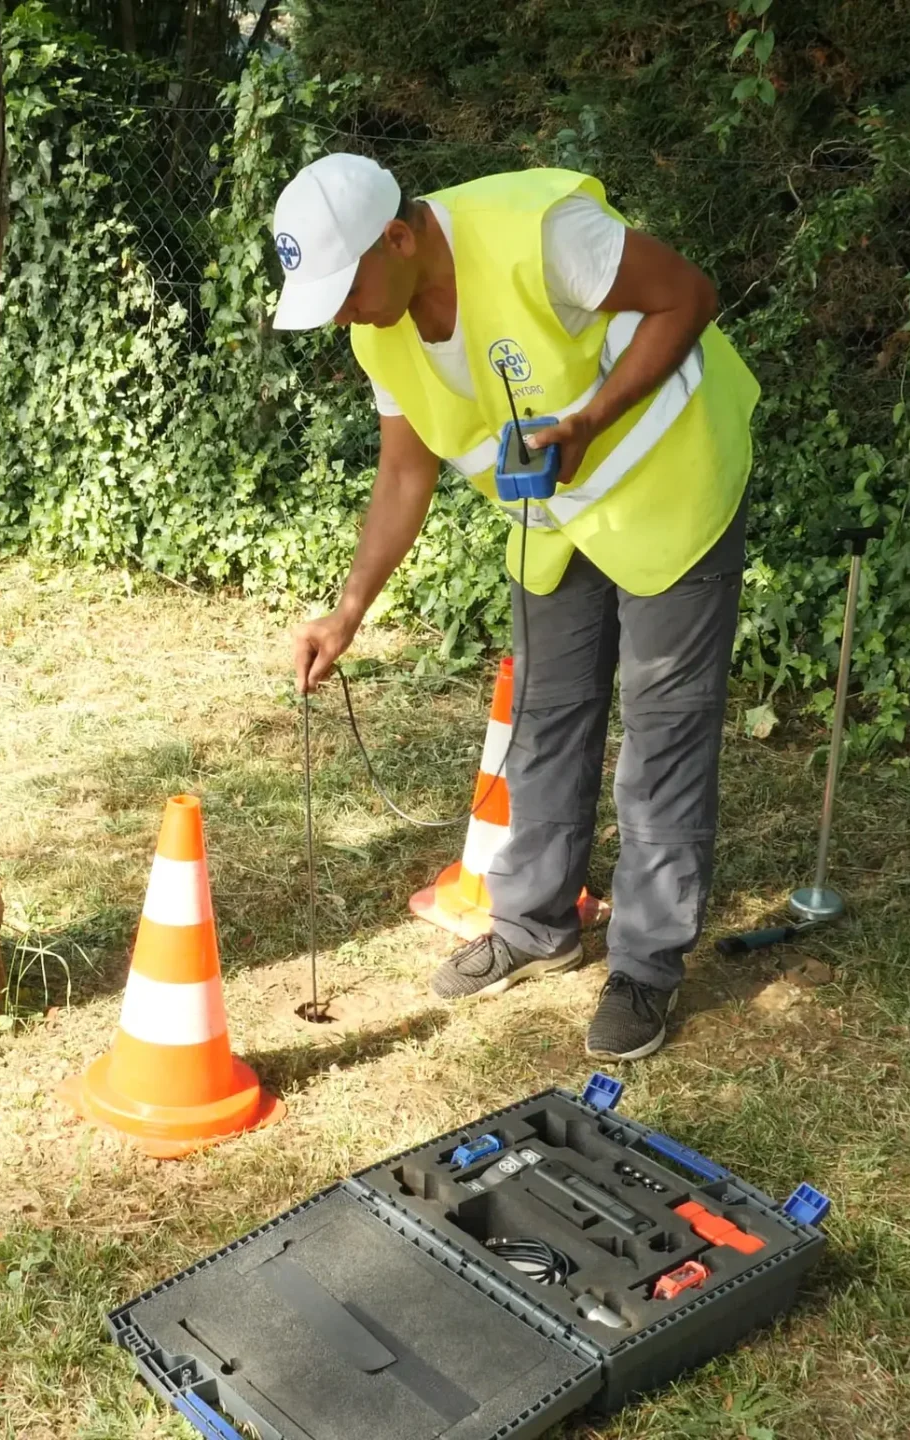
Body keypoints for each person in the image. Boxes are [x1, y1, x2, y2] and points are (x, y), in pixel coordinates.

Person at [272, 153, 759, 1061]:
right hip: (555, 514)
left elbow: (689, 296)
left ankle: (646, 967)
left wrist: (588, 422)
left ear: (400, 236)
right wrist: (349, 610)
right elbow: (406, 468)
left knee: (662, 733)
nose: (340, 311)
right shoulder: (378, 324)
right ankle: (537, 926)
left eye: (345, 287)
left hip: (670, 484)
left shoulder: (542, 234)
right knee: (544, 714)